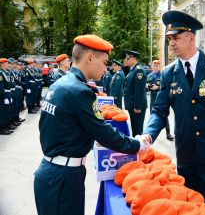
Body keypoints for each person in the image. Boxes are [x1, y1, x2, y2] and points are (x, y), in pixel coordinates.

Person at [33, 34, 151, 215]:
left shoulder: (61, 84)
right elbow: (103, 133)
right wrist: (138, 145)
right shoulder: (80, 91)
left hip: (54, 172)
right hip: (62, 178)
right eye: (104, 62)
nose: (106, 68)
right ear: (89, 58)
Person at [141, 10, 205, 215]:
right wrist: (148, 135)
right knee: (187, 203)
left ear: (191, 37)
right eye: (169, 38)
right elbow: (160, 111)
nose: (172, 43)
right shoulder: (169, 72)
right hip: (186, 150)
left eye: (176, 37)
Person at [146, 60, 174, 141]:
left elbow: (167, 86)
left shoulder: (163, 75)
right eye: (154, 66)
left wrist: (157, 87)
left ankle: (168, 133)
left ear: (159, 67)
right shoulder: (149, 75)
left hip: (161, 98)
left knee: (164, 115)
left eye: (157, 66)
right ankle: (151, 133)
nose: (155, 67)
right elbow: (146, 85)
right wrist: (147, 86)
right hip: (153, 98)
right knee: (153, 115)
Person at [123, 49, 147, 136]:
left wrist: (137, 107)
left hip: (136, 107)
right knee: (134, 129)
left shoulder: (138, 70)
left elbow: (139, 90)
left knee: (137, 131)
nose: (126, 60)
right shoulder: (132, 70)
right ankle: (137, 147)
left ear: (133, 58)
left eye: (127, 58)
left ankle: (140, 148)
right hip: (132, 105)